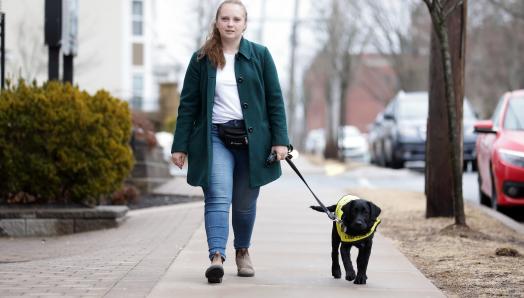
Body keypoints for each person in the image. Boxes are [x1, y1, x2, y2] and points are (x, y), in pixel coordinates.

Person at [170, 0, 290, 284]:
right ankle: (216, 257)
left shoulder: (260, 56)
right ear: (217, 22)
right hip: (215, 138)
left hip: (253, 140)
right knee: (218, 196)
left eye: (236, 19)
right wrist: (180, 145)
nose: (230, 24)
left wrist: (280, 140)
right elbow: (188, 105)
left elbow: (275, 101)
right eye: (225, 18)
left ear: (245, 23)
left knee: (245, 203)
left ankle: (243, 250)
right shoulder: (201, 59)